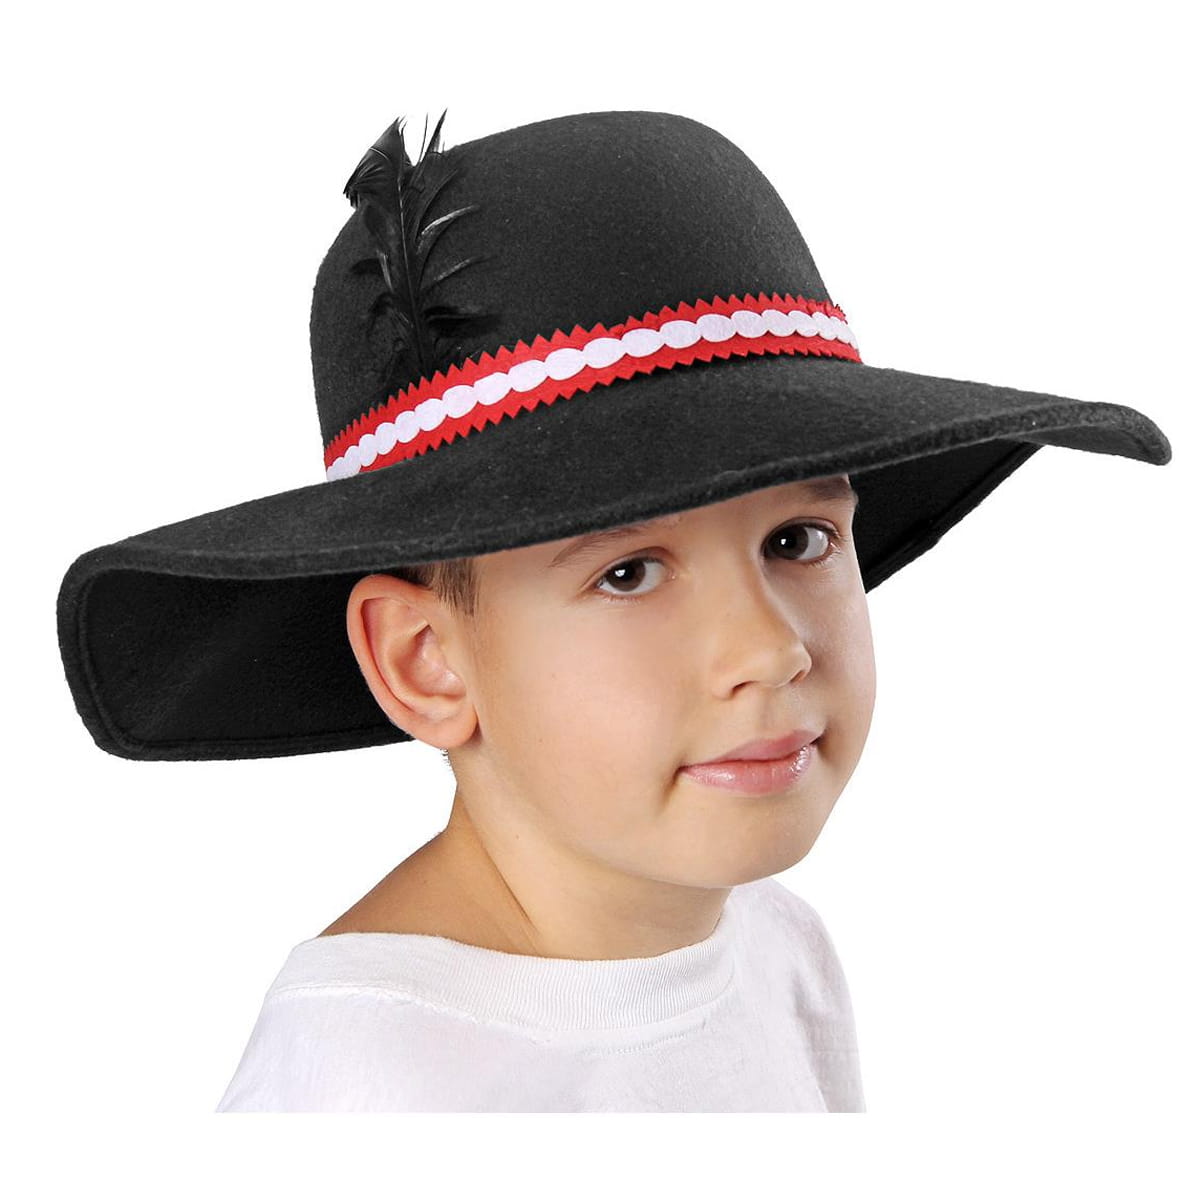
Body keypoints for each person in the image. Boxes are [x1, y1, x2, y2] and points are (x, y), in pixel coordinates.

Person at [55, 108, 1171, 1112]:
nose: (770, 649)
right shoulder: (366, 1090)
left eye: (798, 540)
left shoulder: (778, 951)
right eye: (630, 572)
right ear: (428, 660)